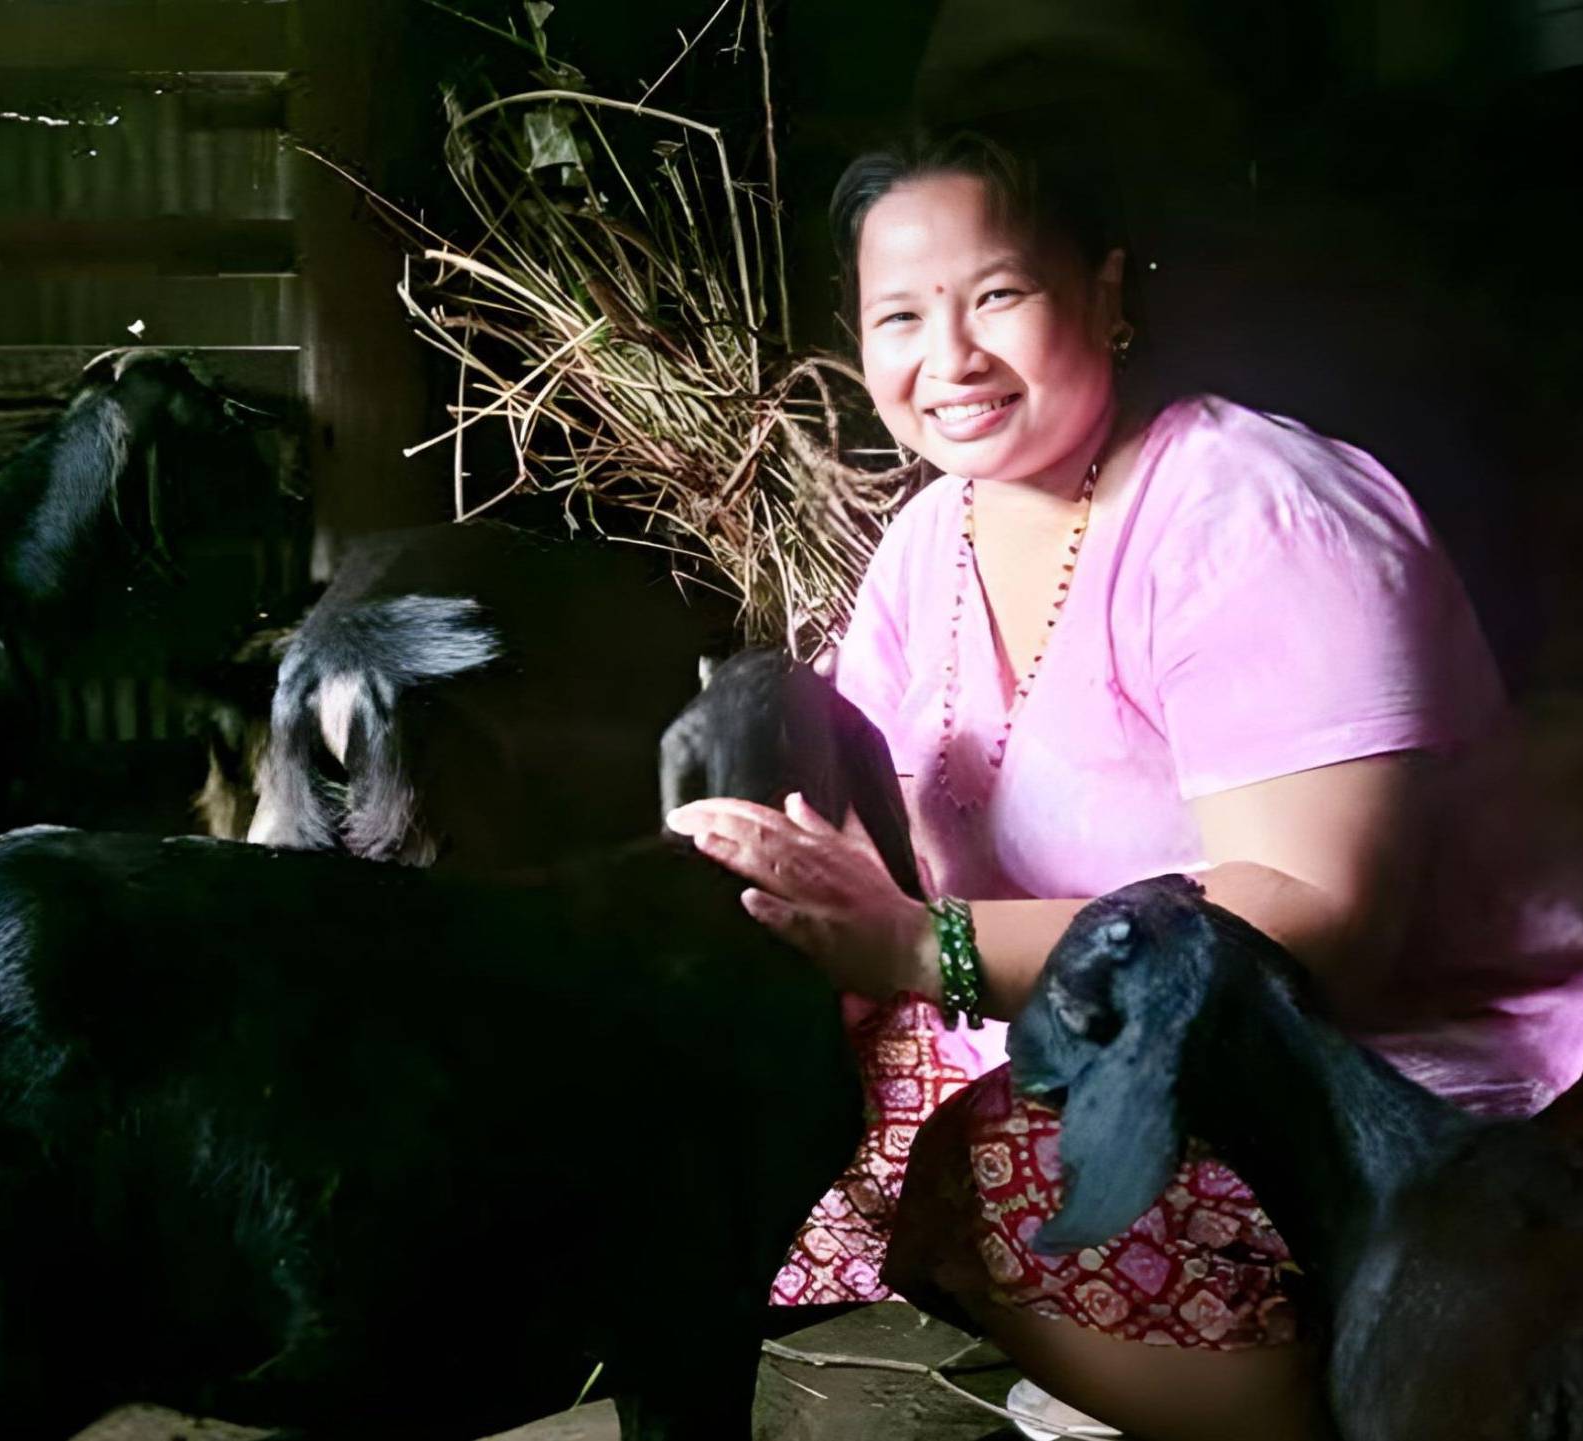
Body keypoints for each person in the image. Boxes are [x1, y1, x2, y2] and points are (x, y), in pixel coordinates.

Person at [667, 122, 1583, 1440]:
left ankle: (1305, 1397)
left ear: (1104, 290)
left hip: (1368, 1057)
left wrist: (922, 948)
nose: (949, 359)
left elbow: (1307, 919)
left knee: (1004, 1178)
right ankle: (1171, 1363)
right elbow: (880, 827)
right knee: (773, 1113)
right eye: (900, 317)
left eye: (996, 297)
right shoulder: (936, 535)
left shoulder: (1253, 509)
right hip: (1080, 1011)